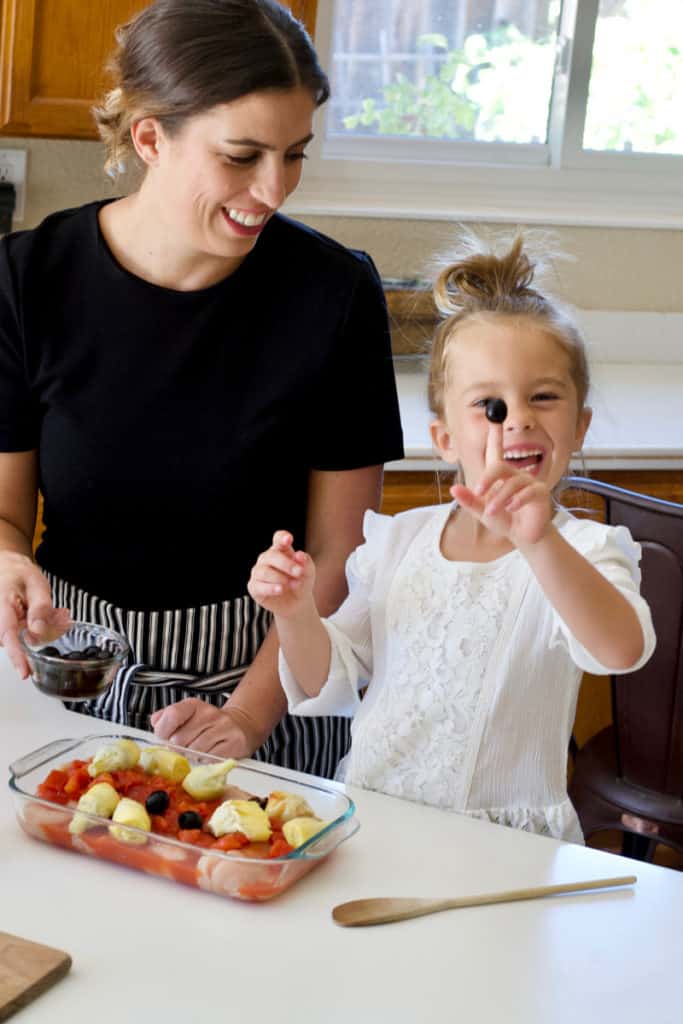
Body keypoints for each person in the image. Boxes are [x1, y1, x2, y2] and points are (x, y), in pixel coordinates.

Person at [0, 0, 403, 779]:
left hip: (270, 683)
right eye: (243, 155)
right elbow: (5, 515)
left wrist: (246, 716)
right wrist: (4, 561)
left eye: (294, 156)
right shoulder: (25, 281)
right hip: (71, 679)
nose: (274, 188)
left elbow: (338, 548)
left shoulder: (334, 293)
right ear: (150, 136)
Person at [248, 233, 656, 841]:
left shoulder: (587, 552)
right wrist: (296, 612)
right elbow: (326, 682)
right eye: (490, 405)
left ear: (579, 426)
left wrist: (540, 541)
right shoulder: (398, 543)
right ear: (444, 440)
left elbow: (620, 650)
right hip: (374, 822)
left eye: (544, 397)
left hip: (504, 848)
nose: (518, 417)